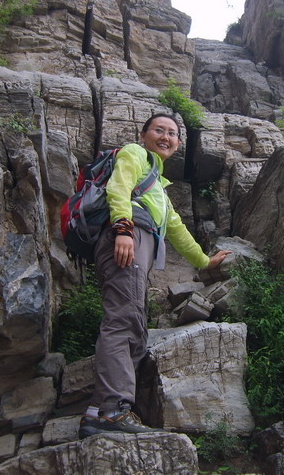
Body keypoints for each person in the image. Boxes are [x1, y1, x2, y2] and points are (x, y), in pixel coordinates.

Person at [79, 113, 232, 437]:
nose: (166, 137)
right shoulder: (134, 154)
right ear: (144, 134)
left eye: (172, 133)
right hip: (126, 240)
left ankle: (100, 410)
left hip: (136, 245)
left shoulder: (157, 186)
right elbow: (118, 188)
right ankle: (110, 413)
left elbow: (176, 229)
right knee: (123, 321)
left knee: (133, 325)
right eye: (159, 130)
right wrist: (122, 228)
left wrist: (205, 262)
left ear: (178, 143)